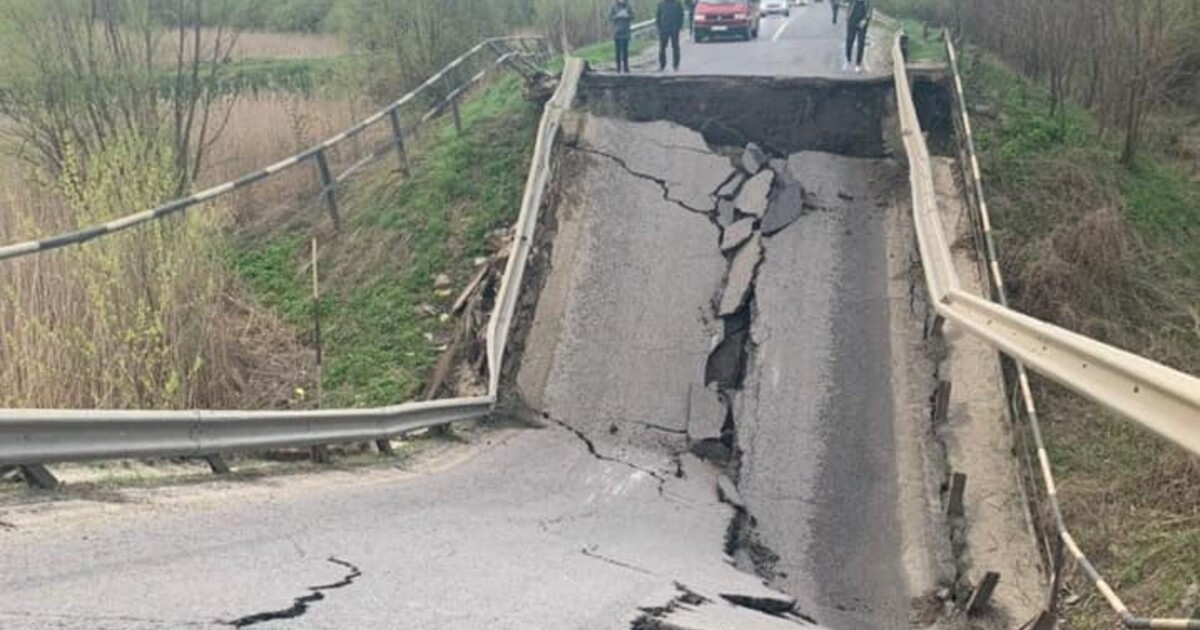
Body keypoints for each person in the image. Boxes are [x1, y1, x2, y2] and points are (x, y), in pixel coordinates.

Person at [656, 0, 684, 71]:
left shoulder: (677, 4)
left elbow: (681, 15)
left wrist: (679, 27)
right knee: (662, 48)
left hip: (674, 29)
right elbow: (658, 16)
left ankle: (676, 65)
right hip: (664, 29)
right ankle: (662, 65)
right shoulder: (661, 4)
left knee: (675, 47)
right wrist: (659, 27)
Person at [845, 0, 872, 72]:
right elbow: (846, 3)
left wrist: (865, 20)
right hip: (852, 19)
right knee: (850, 40)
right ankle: (848, 59)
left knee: (861, 42)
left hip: (862, 21)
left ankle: (858, 63)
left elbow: (870, 9)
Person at [610, 0, 635, 73]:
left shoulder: (628, 6)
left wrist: (627, 16)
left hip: (626, 31)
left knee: (625, 51)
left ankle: (626, 67)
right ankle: (618, 67)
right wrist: (617, 16)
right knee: (617, 51)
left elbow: (633, 16)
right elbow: (610, 17)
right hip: (617, 32)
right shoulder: (614, 6)